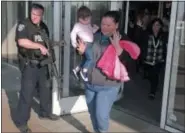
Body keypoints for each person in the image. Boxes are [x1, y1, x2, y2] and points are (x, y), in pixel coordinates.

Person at [76, 11, 132, 132]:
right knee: (92, 114)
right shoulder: (95, 35)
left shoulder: (123, 38)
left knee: (101, 116)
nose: (104, 28)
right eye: (103, 24)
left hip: (108, 85)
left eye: (108, 25)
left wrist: (118, 47)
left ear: (116, 25)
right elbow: (88, 55)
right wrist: (81, 51)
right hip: (90, 83)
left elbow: (129, 61)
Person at [15, 3, 59, 133]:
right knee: (27, 94)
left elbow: (45, 42)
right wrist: (39, 46)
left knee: (45, 90)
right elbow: (21, 42)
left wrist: (49, 48)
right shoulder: (24, 25)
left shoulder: (44, 26)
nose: (34, 17)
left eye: (38, 15)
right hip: (30, 65)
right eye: (33, 14)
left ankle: (44, 113)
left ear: (42, 15)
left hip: (43, 64)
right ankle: (21, 122)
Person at [135, 18, 167, 100]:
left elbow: (166, 47)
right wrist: (138, 28)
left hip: (158, 61)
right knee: (150, 75)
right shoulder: (146, 34)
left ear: (160, 27)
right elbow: (137, 39)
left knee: (155, 75)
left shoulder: (163, 36)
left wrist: (164, 58)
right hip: (147, 61)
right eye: (154, 25)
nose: (156, 27)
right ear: (151, 26)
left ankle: (152, 92)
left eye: (158, 25)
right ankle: (149, 80)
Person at [71, 6, 99, 82]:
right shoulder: (78, 25)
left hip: (90, 44)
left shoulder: (88, 25)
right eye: (85, 19)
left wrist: (95, 29)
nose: (87, 21)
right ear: (80, 18)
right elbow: (73, 34)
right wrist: (74, 43)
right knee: (91, 59)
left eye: (89, 19)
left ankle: (76, 69)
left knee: (86, 59)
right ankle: (83, 71)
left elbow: (91, 32)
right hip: (85, 44)